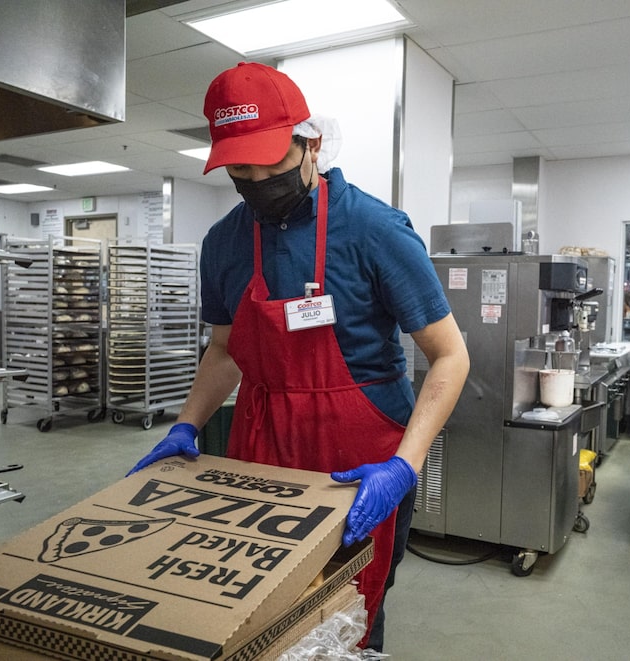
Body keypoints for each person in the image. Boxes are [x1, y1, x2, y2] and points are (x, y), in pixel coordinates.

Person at [126, 62, 469, 652]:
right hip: (261, 440)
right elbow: (225, 349)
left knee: (348, 604)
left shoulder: (376, 230)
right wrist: (187, 424)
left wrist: (404, 467)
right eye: (241, 168)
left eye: (270, 160)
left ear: (310, 143)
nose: (258, 180)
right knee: (254, 606)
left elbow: (450, 356)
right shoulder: (224, 241)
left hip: (360, 454)